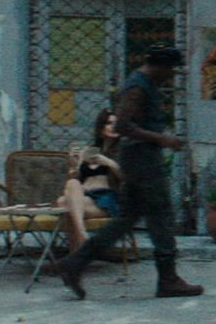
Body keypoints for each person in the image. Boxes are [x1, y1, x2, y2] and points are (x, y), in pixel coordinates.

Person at [59, 45, 204, 299]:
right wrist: (162, 139)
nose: (171, 75)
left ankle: (75, 263)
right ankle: (168, 279)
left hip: (140, 158)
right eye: (170, 69)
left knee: (126, 220)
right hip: (142, 159)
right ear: (160, 66)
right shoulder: (137, 87)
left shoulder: (144, 83)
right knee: (161, 216)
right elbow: (123, 126)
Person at [56, 108, 123, 253]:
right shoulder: (91, 150)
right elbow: (74, 178)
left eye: (117, 124)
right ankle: (83, 238)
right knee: (71, 185)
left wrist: (110, 163)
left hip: (106, 199)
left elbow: (128, 178)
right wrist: (74, 164)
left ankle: (75, 253)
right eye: (109, 123)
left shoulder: (124, 150)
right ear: (101, 127)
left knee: (64, 204)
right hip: (84, 197)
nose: (114, 127)